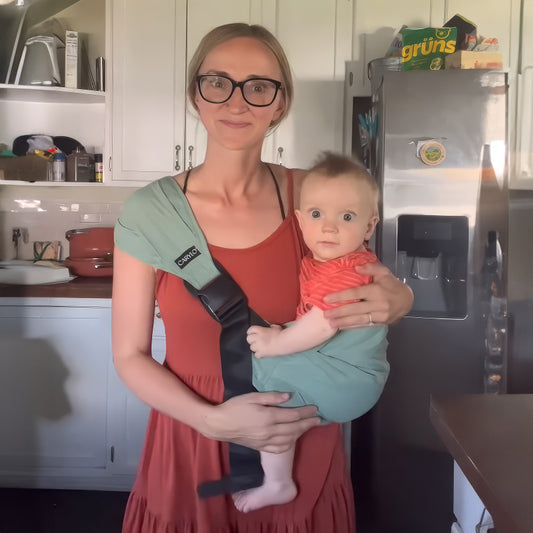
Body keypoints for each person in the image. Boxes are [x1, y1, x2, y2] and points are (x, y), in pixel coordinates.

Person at [112, 22, 413, 533]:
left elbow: (372, 278)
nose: (237, 101)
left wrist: (401, 298)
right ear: (195, 94)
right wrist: (212, 420)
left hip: (295, 436)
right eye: (218, 82)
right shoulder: (149, 213)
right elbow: (128, 355)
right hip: (193, 433)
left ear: (280, 102)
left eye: (258, 86)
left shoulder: (312, 198)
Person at [235, 152, 388, 513]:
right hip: (347, 379)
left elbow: (324, 323)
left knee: (266, 382)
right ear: (301, 221)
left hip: (350, 375)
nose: (329, 228)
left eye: (346, 217)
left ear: (369, 227)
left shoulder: (347, 271)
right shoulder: (334, 261)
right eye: (317, 215)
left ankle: (278, 483)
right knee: (277, 405)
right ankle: (278, 478)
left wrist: (278, 343)